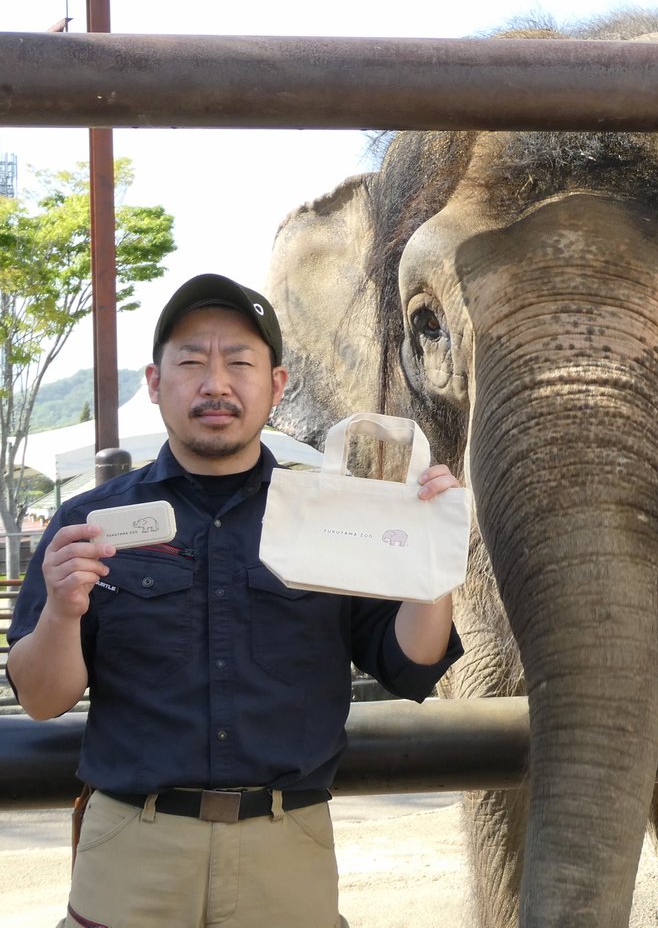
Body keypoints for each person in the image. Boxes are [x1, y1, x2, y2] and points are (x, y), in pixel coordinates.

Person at [7, 273, 464, 928]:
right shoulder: (91, 520)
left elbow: (409, 662)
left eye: (240, 362)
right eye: (191, 361)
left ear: (276, 386)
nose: (215, 382)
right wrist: (61, 607)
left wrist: (432, 556)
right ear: (155, 382)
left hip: (288, 847)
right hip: (132, 845)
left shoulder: (330, 514)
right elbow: (43, 697)